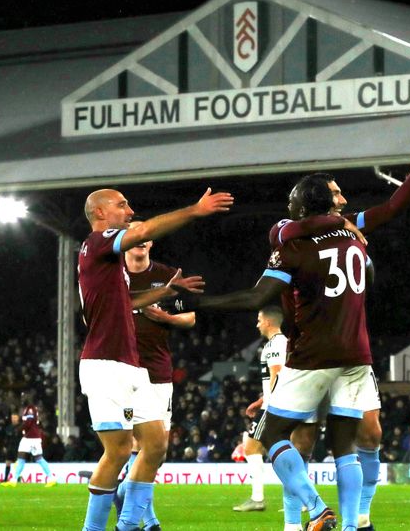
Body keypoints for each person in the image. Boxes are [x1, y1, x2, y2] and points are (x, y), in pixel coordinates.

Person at [174, 168, 410, 531]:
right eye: (337, 194)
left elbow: (256, 296)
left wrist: (196, 303)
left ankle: (316, 508)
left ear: (304, 205)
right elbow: (387, 218)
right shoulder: (352, 234)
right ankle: (349, 526)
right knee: (345, 447)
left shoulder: (292, 245)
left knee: (269, 434)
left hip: (312, 354)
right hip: (356, 354)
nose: (344, 199)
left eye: (293, 202)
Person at [271, 143, 410, 531]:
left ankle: (359, 518)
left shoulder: (348, 225)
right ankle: (295, 523)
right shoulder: (287, 233)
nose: (344, 199)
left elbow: (390, 209)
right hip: (307, 350)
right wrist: (338, 225)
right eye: (336, 193)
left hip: (347, 349)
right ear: (319, 201)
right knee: (301, 441)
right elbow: (294, 229)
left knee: (369, 433)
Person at [78, 187, 232, 531]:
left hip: (132, 366)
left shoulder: (109, 261)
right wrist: (195, 209)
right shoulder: (98, 241)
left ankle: (129, 525)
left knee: (157, 444)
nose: (130, 211)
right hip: (105, 364)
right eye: (122, 205)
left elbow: (127, 301)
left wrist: (166, 291)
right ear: (100, 213)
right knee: (118, 451)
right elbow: (145, 231)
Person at [113, 222, 197, 530]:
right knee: (126, 446)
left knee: (154, 450)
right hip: (119, 371)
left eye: (146, 236)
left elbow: (190, 317)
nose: (140, 241)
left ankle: (125, 496)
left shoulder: (167, 275)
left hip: (158, 372)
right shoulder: (111, 274)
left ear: (151, 243)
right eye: (135, 236)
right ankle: (144, 521)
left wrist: (164, 317)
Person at [233, 306, 288, 513]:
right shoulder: (282, 343)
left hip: (275, 407)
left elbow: (278, 375)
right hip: (276, 403)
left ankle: (258, 499)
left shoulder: (275, 345)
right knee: (284, 453)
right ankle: (301, 500)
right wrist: (261, 400)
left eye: (258, 320)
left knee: (251, 447)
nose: (257, 324)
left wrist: (269, 403)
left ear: (267, 322)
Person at [2, 397, 56, 486]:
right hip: (27, 438)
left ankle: (51, 478)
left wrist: (19, 429)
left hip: (33, 438)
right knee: (20, 458)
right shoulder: (27, 409)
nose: (22, 399)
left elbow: (29, 422)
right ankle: (14, 480)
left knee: (39, 459)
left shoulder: (31, 409)